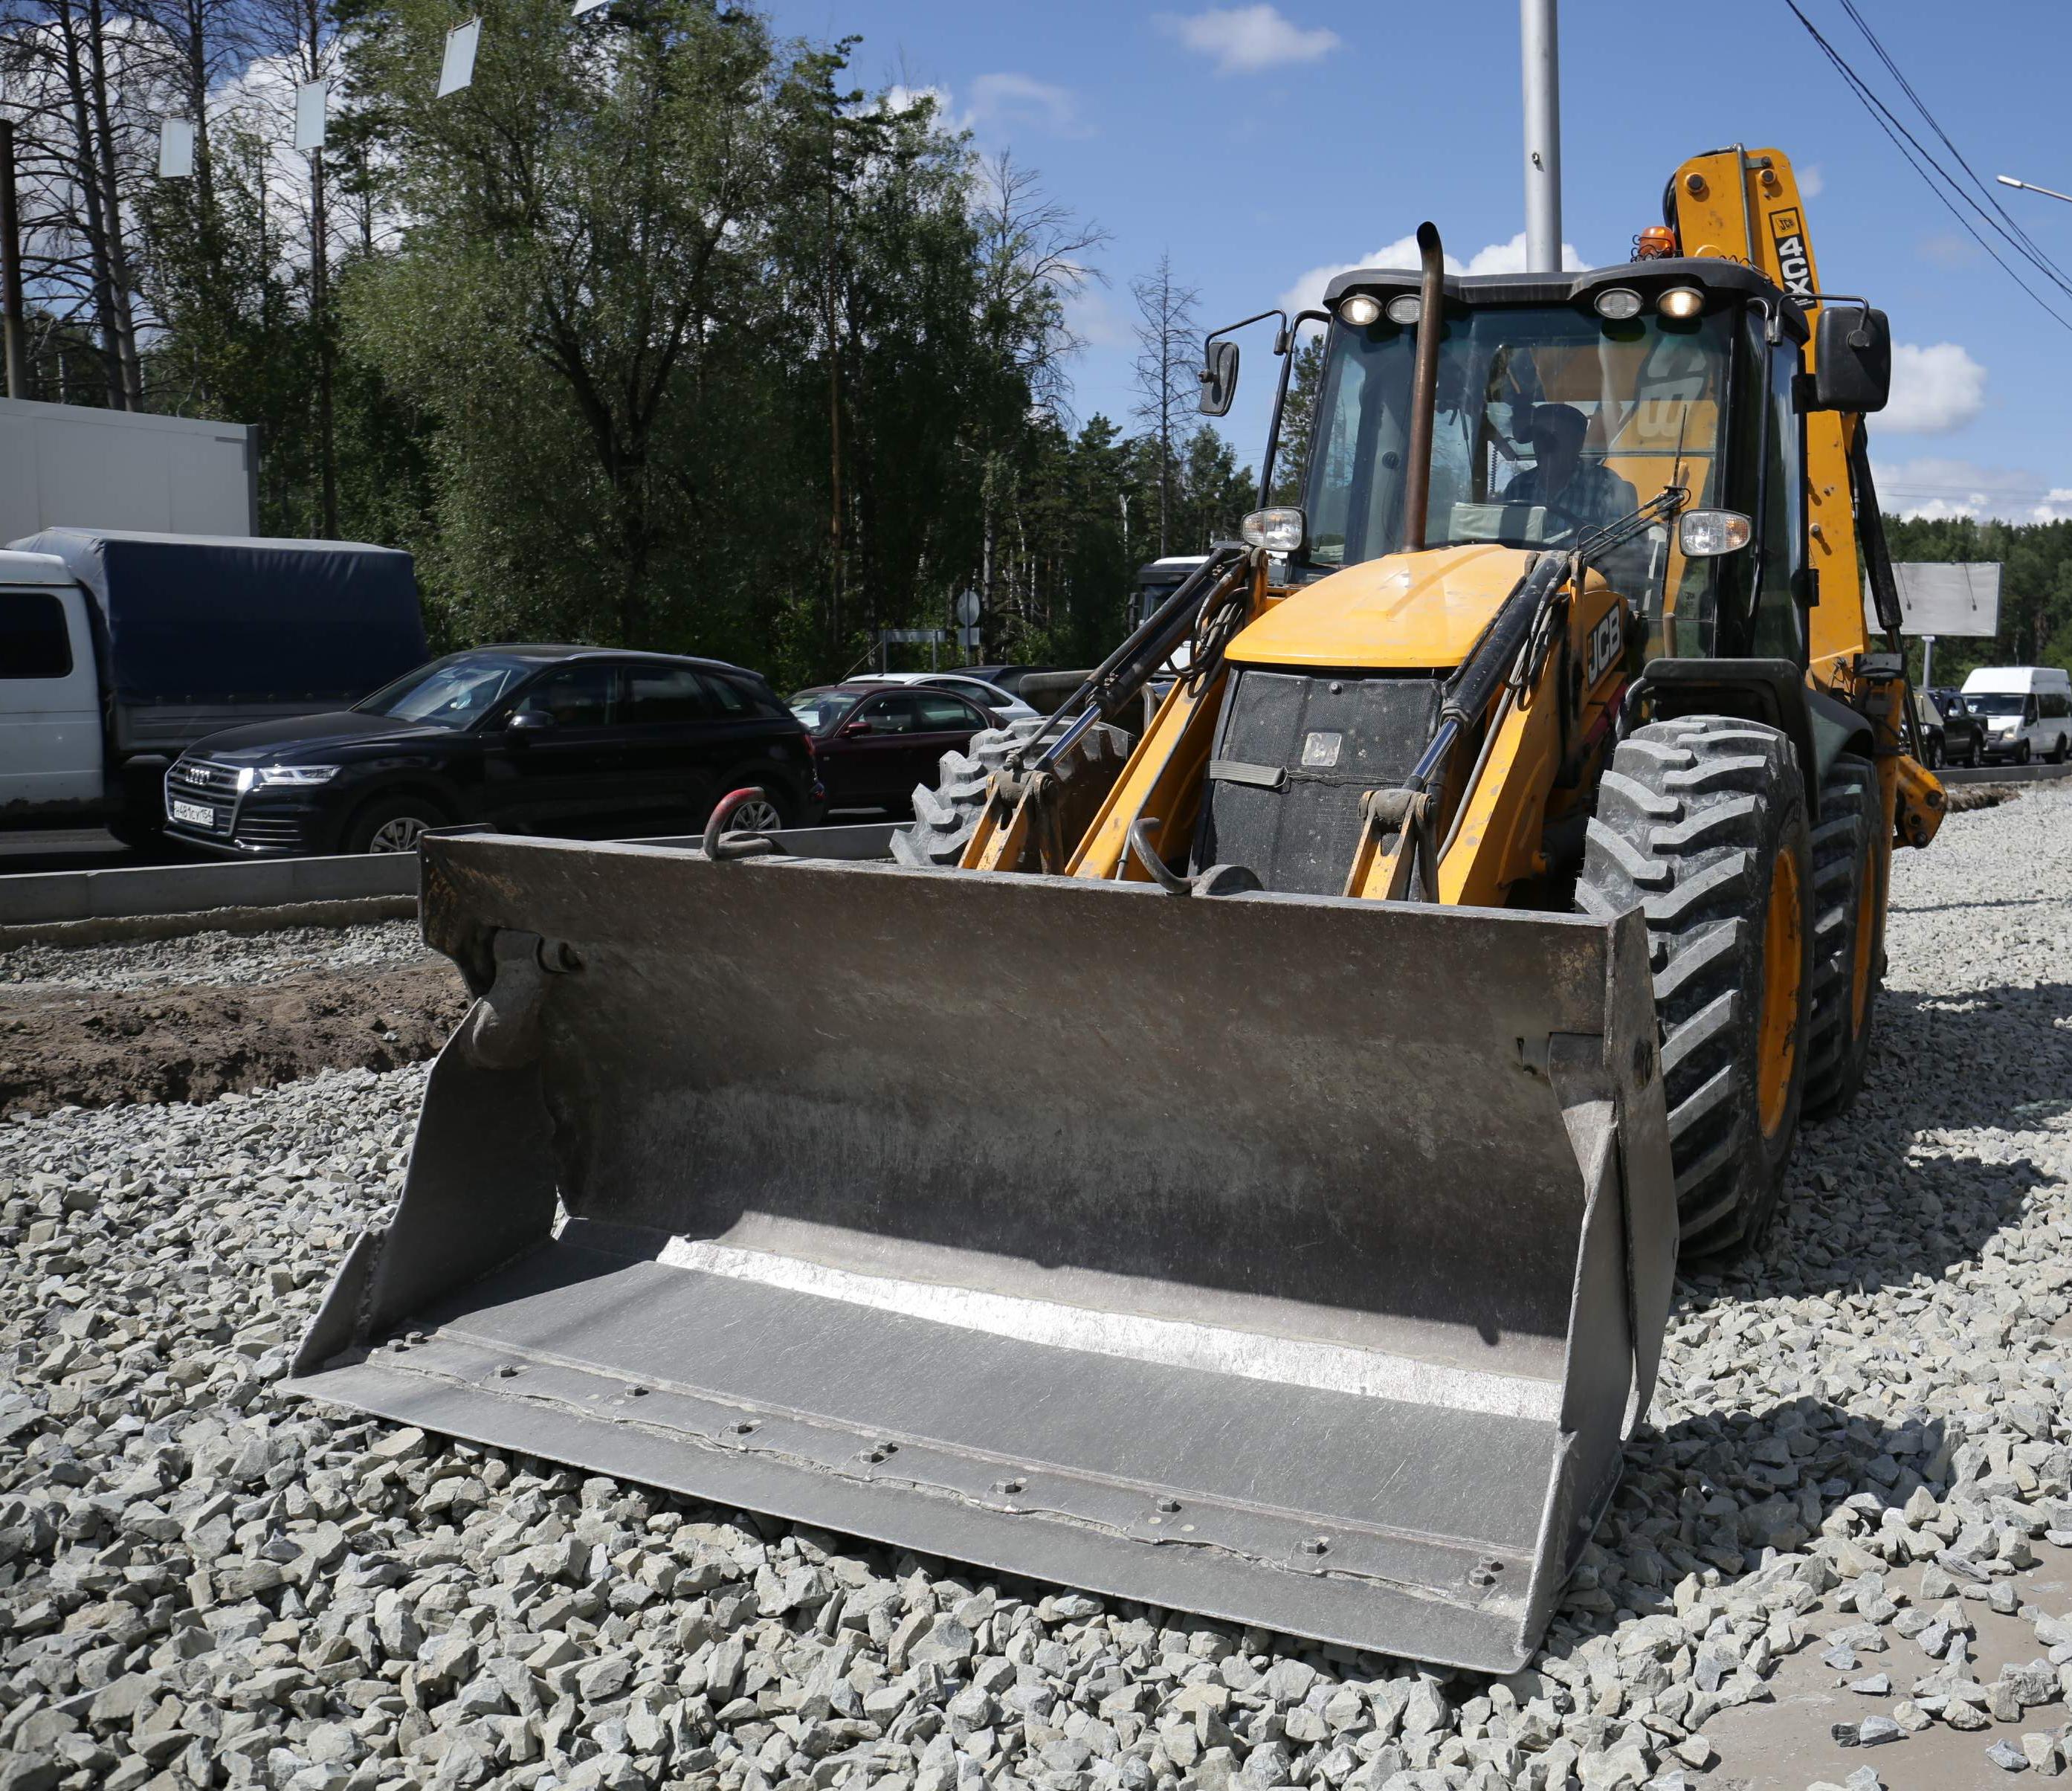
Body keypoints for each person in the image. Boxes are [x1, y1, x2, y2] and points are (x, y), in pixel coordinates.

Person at [1503, 402, 1637, 543]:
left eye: (1556, 436)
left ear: (1578, 443)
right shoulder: (1518, 488)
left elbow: (1625, 551)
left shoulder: (1606, 486)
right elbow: (1499, 544)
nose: (1546, 445)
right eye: (1540, 436)